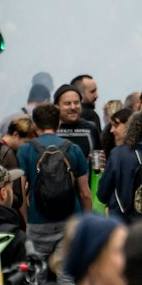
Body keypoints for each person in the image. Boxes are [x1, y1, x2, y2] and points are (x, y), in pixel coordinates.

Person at [17, 101, 96, 257]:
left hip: (37, 220)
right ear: (59, 123)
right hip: (70, 221)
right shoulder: (73, 149)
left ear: (35, 125)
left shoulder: (25, 150)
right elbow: (85, 193)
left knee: (37, 275)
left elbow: (20, 190)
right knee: (66, 274)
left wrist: (27, 221)